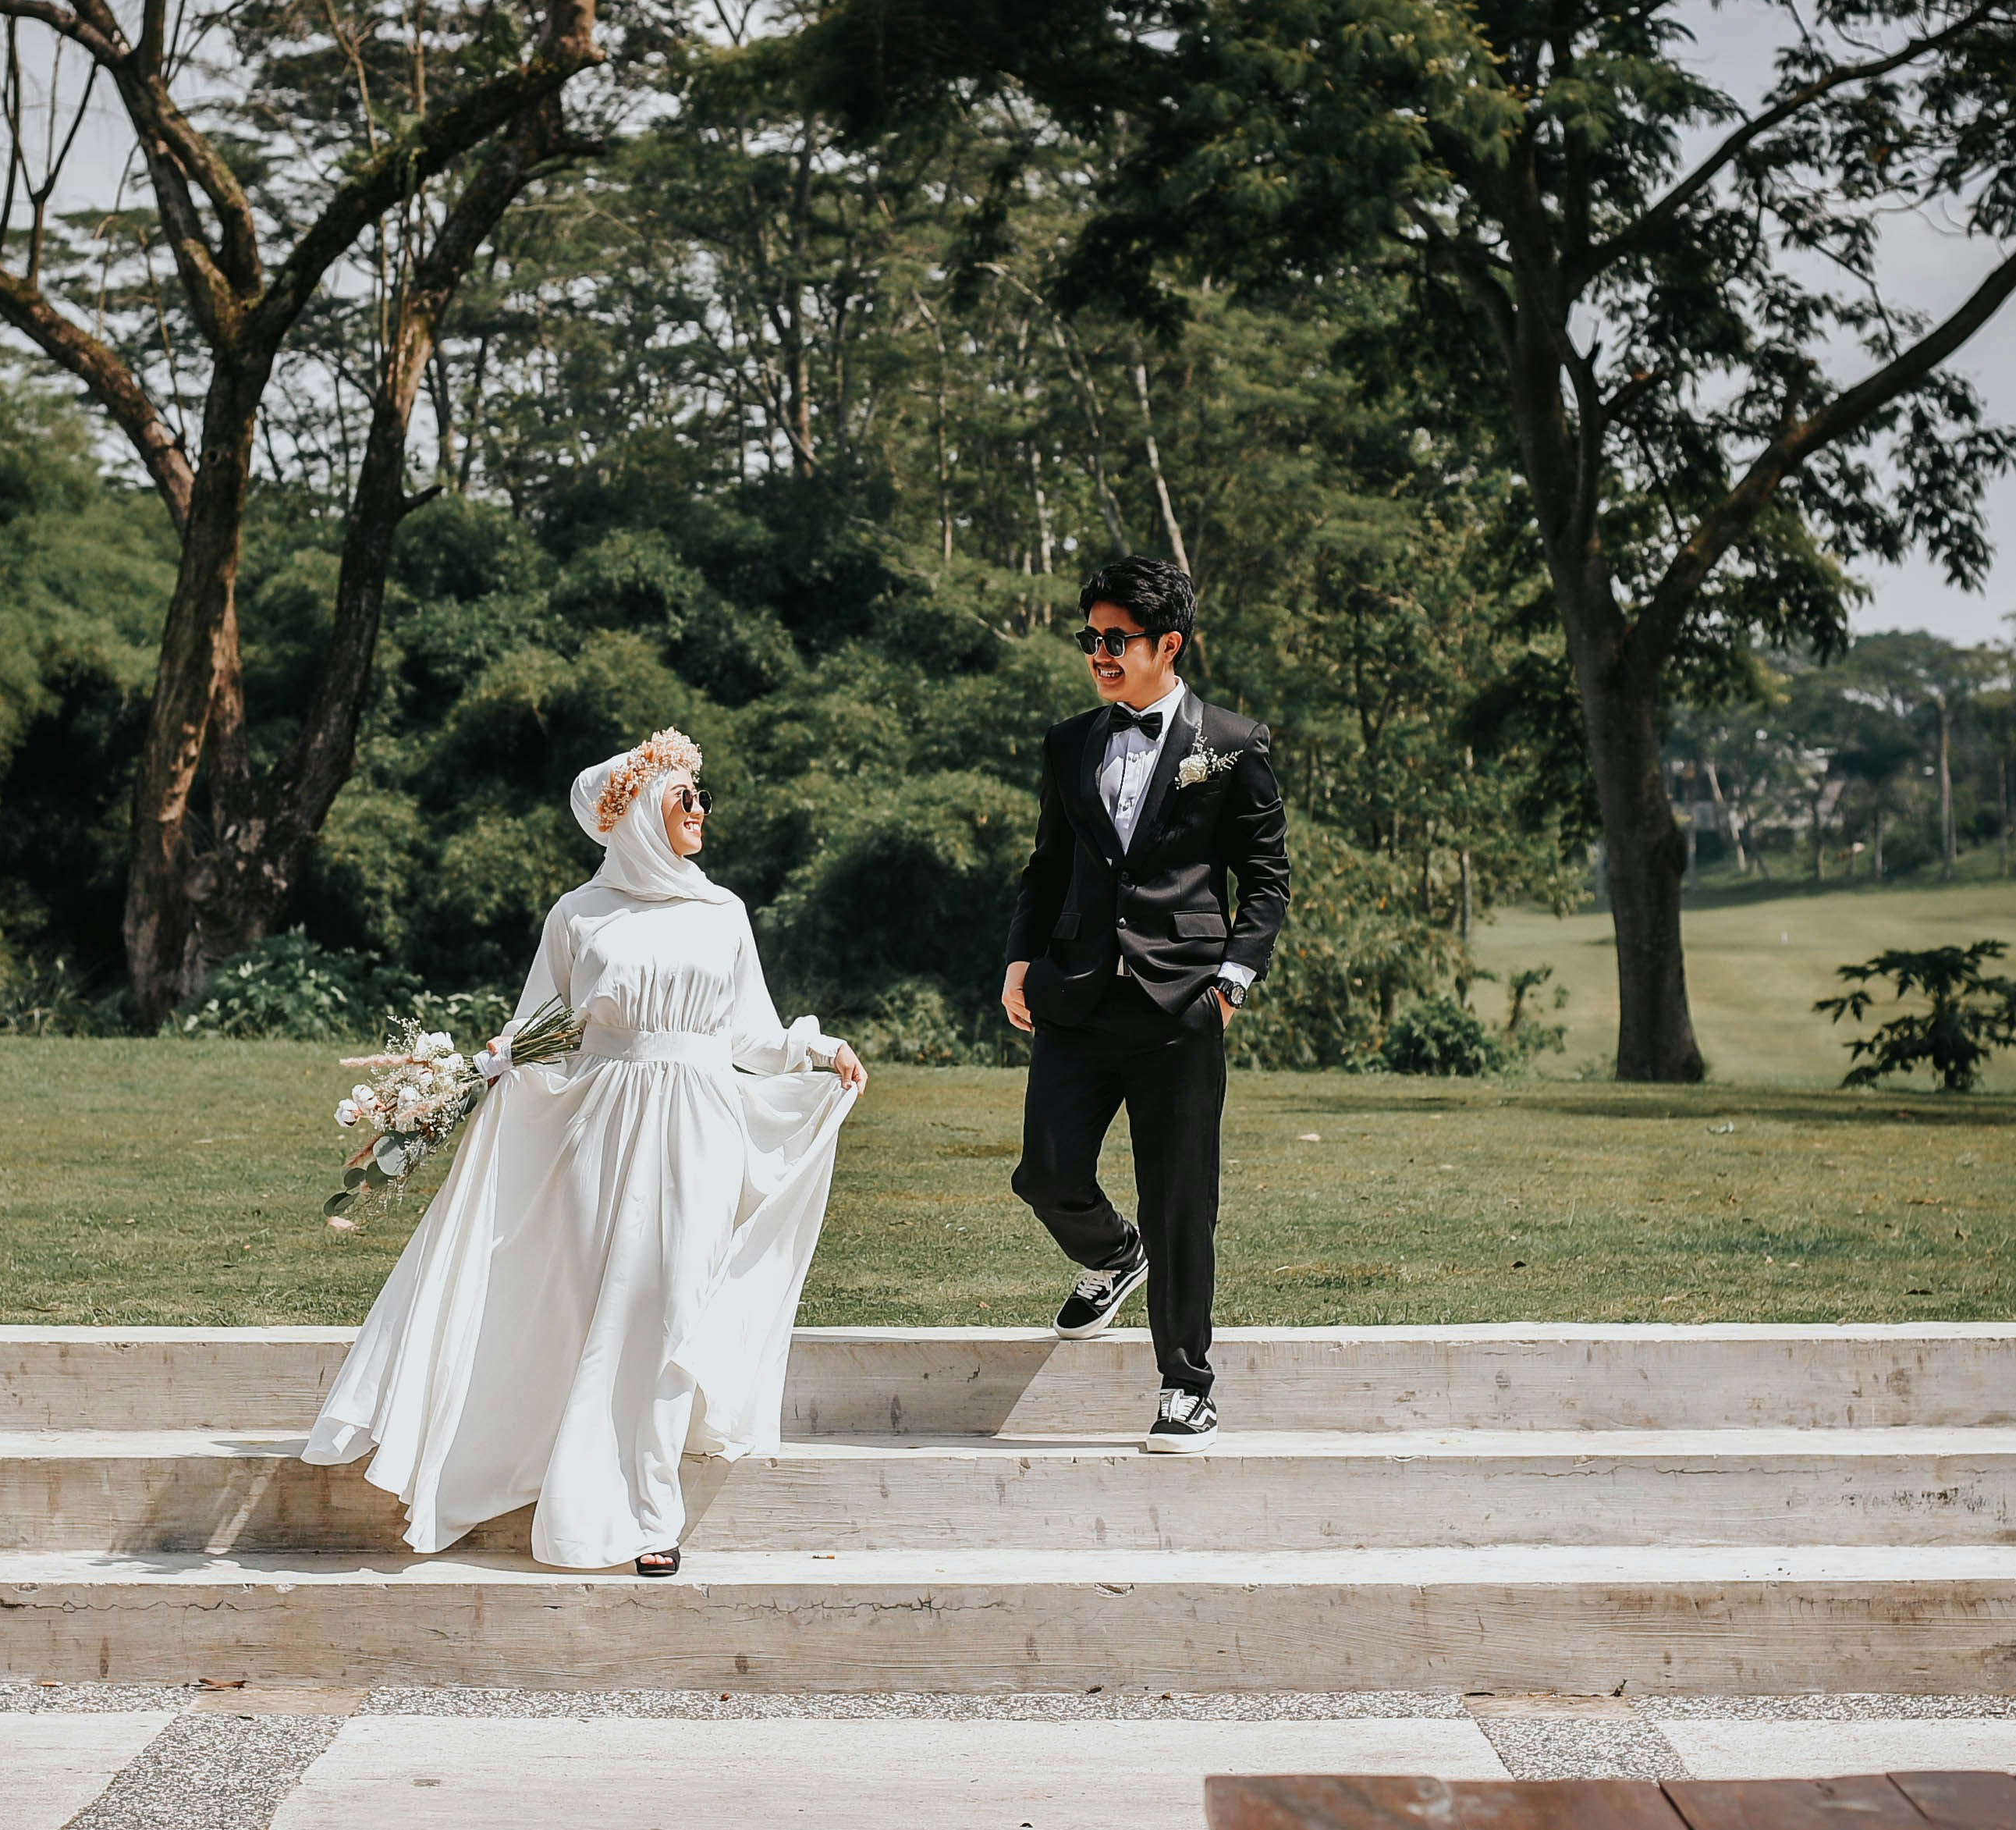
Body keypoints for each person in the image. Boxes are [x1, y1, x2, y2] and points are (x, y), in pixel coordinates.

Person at [303, 730, 868, 1575]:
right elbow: (542, 1028)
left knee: (673, 1298)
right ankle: (607, 1494)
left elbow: (747, 1028)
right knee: (605, 1303)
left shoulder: (724, 912)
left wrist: (816, 1052)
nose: (702, 812)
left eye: (701, 798)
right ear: (644, 811)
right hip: (598, 1126)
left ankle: (650, 1510)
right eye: (687, 799)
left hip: (702, 1123)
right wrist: (480, 1078)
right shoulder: (578, 914)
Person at [1001, 556, 1289, 1453]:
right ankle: (1112, 1255)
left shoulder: (1234, 744)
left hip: (1181, 1007)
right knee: (1044, 1173)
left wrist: (1231, 982)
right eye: (1090, 637)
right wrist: (1018, 959)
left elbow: (1268, 878)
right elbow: (1049, 865)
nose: (1098, 653)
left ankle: (1186, 1385)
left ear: (1168, 643)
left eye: (1114, 638)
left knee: (1181, 1200)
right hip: (1076, 999)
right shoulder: (1069, 742)